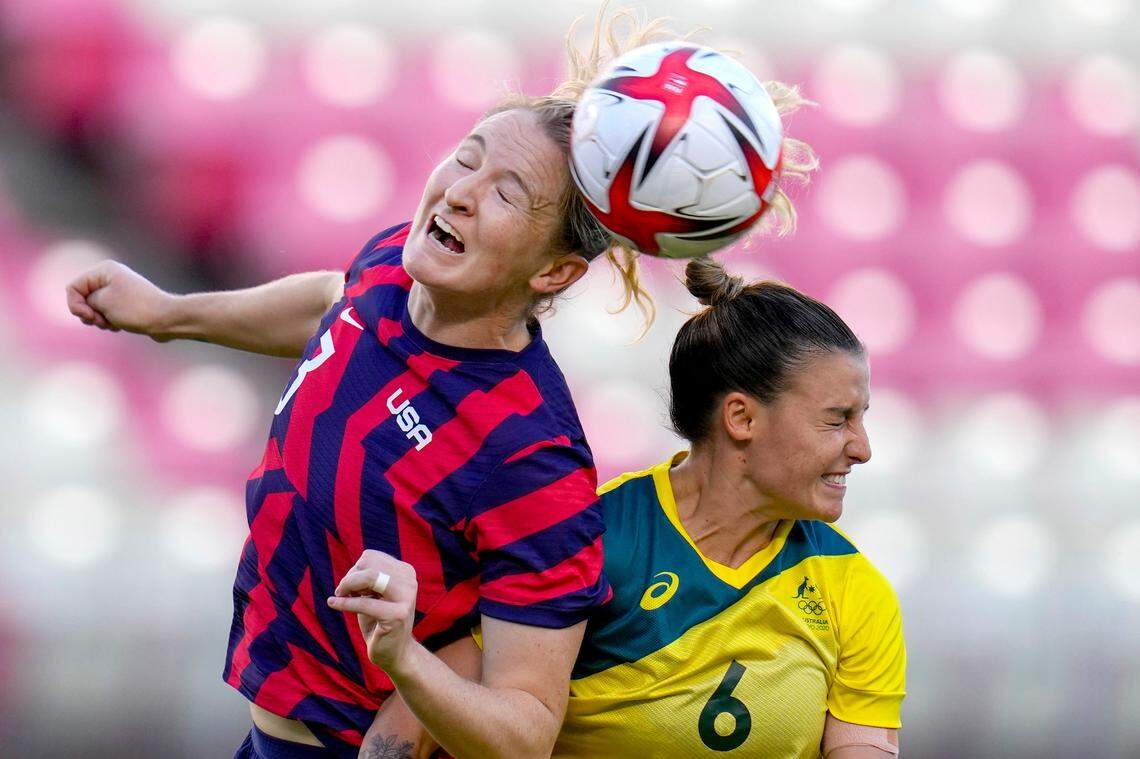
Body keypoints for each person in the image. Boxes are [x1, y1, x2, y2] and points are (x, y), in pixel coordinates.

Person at [65, 9, 817, 758]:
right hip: (267, 733)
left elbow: (525, 730)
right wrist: (169, 313)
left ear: (552, 272)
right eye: (467, 158)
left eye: (507, 193)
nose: (460, 192)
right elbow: (336, 301)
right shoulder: (397, 264)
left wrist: (406, 659)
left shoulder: (530, 459)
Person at [354, 258, 906, 758]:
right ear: (741, 419)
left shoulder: (855, 592)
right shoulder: (593, 541)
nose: (862, 448)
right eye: (838, 420)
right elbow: (406, 727)